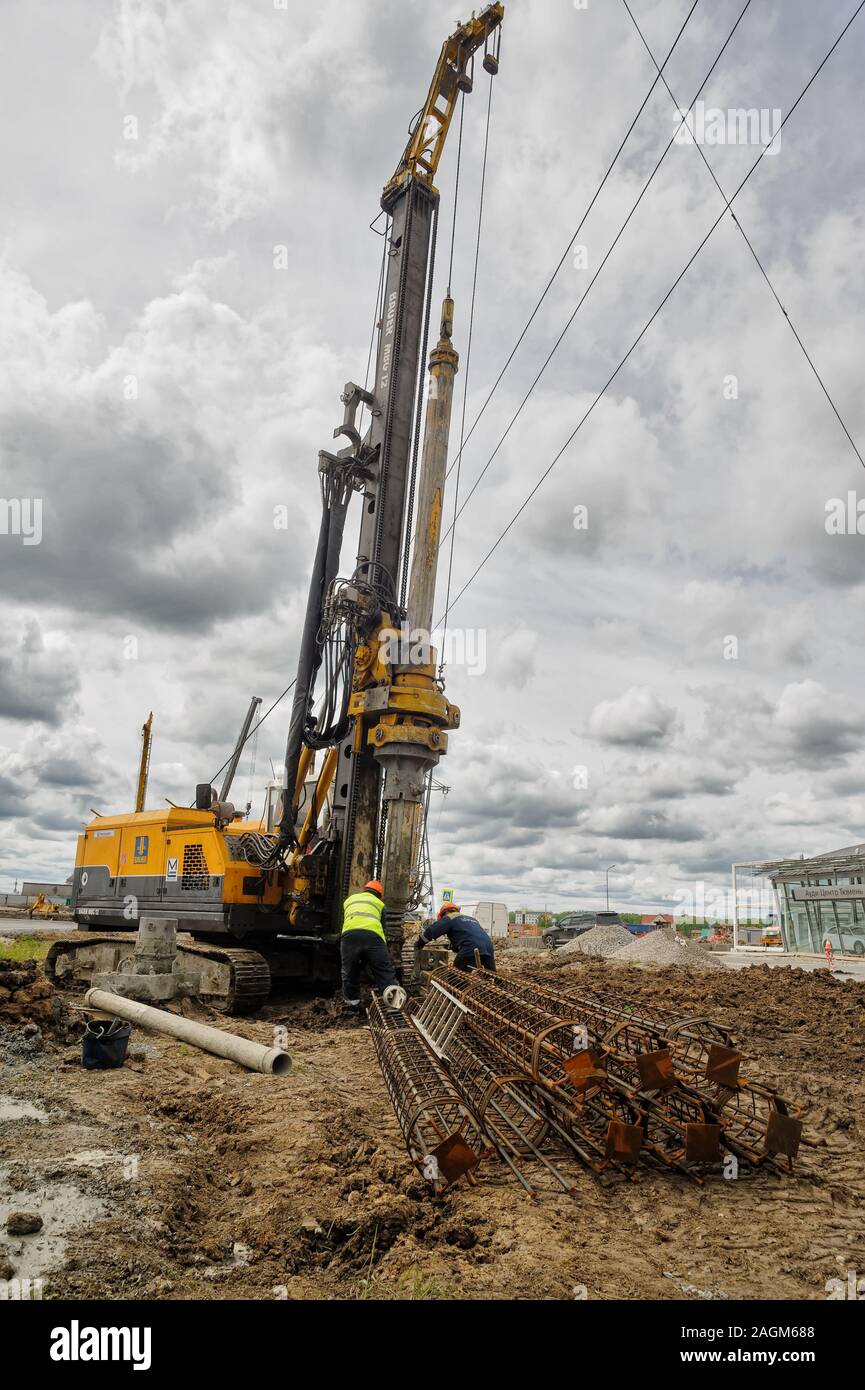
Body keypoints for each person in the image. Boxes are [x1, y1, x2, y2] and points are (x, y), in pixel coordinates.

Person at [340, 879, 406, 1011]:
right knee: (385, 972)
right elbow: (383, 927)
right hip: (374, 938)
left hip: (349, 937)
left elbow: (347, 918)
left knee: (349, 972)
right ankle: (394, 1006)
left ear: (365, 890)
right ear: (379, 894)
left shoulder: (349, 900)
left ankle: (352, 1006)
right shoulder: (380, 904)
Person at [418, 903, 496, 971]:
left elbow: (432, 930)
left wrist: (420, 943)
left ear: (445, 913)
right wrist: (453, 946)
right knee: (490, 975)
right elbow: (468, 935)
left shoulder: (449, 917)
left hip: (470, 947)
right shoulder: (471, 919)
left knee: (456, 977)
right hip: (488, 947)